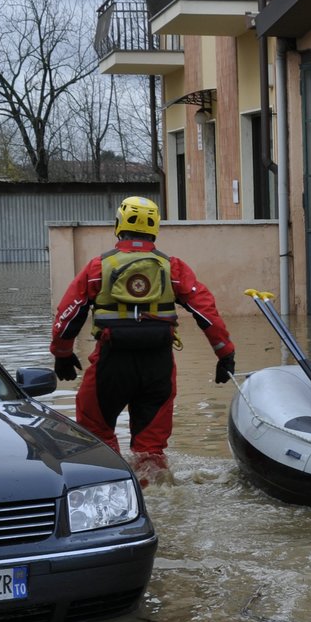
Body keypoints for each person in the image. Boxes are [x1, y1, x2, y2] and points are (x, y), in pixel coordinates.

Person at [50, 196, 235, 480]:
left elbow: (67, 313)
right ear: (155, 228)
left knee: (96, 437)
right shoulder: (173, 267)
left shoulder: (98, 267)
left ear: (118, 225)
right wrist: (225, 355)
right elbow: (206, 312)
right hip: (158, 367)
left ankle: (114, 491)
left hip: (110, 365)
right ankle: (156, 497)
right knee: (151, 452)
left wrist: (62, 354)